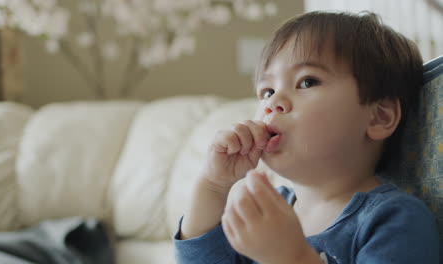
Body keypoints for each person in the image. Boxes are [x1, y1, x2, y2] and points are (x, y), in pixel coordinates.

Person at [173, 11, 440, 264]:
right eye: (267, 91)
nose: (273, 102)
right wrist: (213, 185)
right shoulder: (270, 208)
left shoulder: (394, 219)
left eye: (307, 82)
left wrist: (292, 256)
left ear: (378, 117)